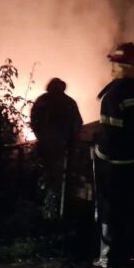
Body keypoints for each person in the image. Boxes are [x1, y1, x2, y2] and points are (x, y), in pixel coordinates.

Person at [93, 42, 134, 268]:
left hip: (116, 164)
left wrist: (98, 153)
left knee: (110, 208)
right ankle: (132, 252)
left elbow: (110, 135)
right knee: (131, 206)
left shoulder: (113, 95)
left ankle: (108, 257)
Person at [30, 78, 83, 219]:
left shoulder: (42, 101)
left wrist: (42, 137)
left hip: (46, 148)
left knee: (44, 178)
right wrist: (71, 144)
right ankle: (60, 212)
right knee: (62, 181)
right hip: (63, 150)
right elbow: (77, 125)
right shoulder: (69, 103)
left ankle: (44, 211)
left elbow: (34, 121)